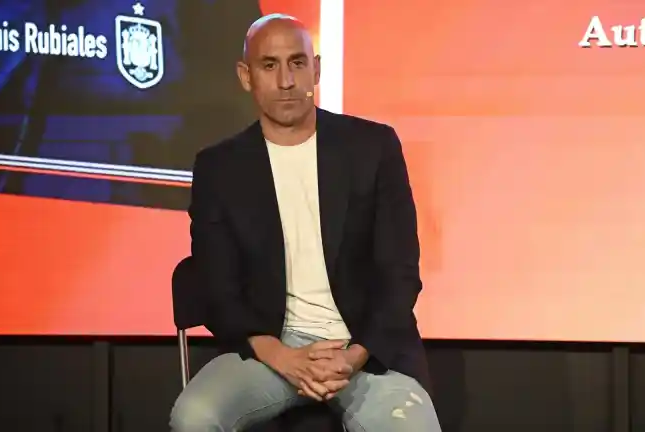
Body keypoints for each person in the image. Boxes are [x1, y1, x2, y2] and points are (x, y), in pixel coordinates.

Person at [170, 13, 442, 432]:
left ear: (316, 70)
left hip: (363, 350)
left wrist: (352, 357)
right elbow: (217, 287)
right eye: (269, 65)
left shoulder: (373, 148)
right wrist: (282, 357)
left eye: (297, 63)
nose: (286, 81)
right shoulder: (219, 167)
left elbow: (400, 273)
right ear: (245, 76)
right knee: (193, 417)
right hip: (269, 352)